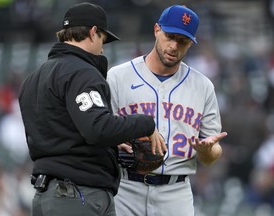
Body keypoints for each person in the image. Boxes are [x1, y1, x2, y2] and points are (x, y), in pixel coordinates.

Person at [18, 2, 167, 216]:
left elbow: (65, 130)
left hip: (47, 194)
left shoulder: (34, 77)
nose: (103, 47)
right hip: (77, 195)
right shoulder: (81, 72)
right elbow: (97, 128)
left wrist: (112, 143)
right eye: (103, 39)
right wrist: (145, 124)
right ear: (93, 32)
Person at [107, 5, 228, 216]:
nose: (174, 46)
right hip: (126, 187)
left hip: (176, 192)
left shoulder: (203, 86)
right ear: (156, 30)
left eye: (182, 41)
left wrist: (207, 151)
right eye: (169, 36)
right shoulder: (118, 77)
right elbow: (99, 130)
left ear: (191, 42)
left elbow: (212, 154)